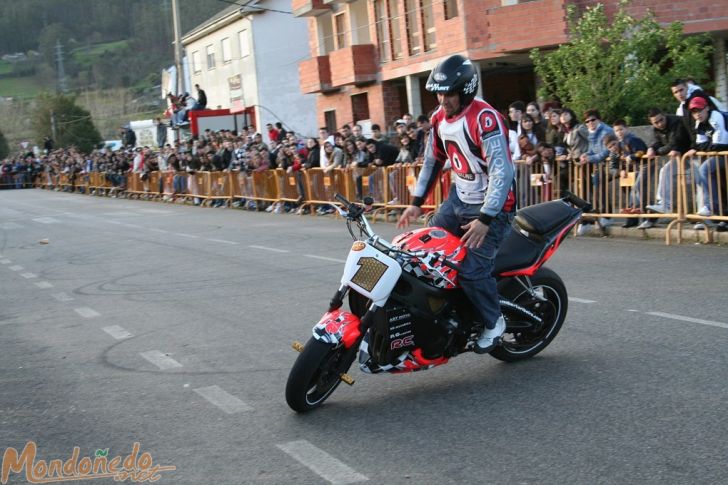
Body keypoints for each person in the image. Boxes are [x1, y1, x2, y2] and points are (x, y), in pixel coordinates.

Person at [397, 54, 516, 354]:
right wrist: (416, 202)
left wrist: (487, 218)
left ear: (465, 90)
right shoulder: (438, 118)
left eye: (448, 93)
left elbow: (502, 170)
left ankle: (494, 321)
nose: (442, 99)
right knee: (422, 247)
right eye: (439, 92)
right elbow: (432, 161)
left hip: (493, 208)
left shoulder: (484, 118)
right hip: (458, 199)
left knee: (473, 270)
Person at [638, 108, 692, 228]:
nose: (659, 124)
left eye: (661, 120)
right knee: (665, 170)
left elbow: (674, 143)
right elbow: (657, 142)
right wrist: (652, 147)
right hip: (680, 158)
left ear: (664, 115)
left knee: (701, 180)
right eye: (655, 123)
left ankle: (705, 214)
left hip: (691, 154)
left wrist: (657, 150)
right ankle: (664, 204)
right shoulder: (656, 129)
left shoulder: (676, 122)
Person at [684, 96, 728, 221]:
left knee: (704, 169)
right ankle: (718, 212)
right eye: (694, 111)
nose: (697, 114)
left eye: (699, 110)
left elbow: (718, 145)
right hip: (722, 153)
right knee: (699, 172)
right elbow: (700, 145)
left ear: (707, 108)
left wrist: (703, 148)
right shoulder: (700, 124)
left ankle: (712, 206)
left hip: (724, 151)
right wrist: (702, 148)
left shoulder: (716, 117)